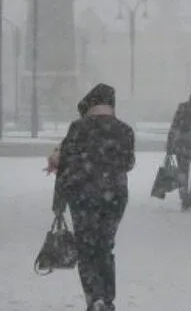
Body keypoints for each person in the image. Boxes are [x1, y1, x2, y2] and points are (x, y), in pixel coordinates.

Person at [47, 84, 135, 311]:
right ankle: (107, 298)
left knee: (86, 249)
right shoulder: (124, 130)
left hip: (82, 195)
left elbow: (64, 167)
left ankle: (94, 297)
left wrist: (58, 203)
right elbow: (128, 164)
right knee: (105, 247)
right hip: (114, 195)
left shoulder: (78, 128)